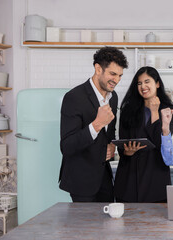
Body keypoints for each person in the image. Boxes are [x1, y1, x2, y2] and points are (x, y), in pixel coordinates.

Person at [59, 46, 128, 202]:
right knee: (84, 226)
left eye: (120, 75)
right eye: (112, 74)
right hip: (81, 179)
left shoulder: (113, 97)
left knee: (108, 224)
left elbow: (108, 134)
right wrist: (96, 124)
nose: (116, 80)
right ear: (98, 69)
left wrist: (111, 146)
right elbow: (67, 146)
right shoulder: (74, 97)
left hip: (104, 176)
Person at [114, 66, 173, 203]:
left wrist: (155, 111)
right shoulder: (128, 110)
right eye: (139, 83)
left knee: (156, 223)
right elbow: (122, 145)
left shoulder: (169, 110)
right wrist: (127, 152)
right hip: (129, 180)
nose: (143, 86)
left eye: (147, 81)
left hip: (155, 179)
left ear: (157, 83)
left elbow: (160, 143)